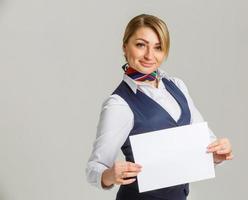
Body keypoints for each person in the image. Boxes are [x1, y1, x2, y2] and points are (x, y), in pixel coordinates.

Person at [86, 14, 233, 200]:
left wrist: (219, 151)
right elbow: (94, 168)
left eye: (158, 47)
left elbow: (205, 144)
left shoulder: (177, 86)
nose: (149, 55)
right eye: (141, 45)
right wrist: (109, 175)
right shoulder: (119, 104)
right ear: (125, 46)